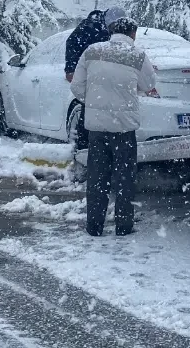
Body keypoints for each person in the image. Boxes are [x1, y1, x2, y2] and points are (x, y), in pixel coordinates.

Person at [69, 15, 155, 237]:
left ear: (112, 31)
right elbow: (148, 84)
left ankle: (94, 226)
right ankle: (123, 226)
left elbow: (77, 87)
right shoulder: (137, 55)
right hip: (124, 129)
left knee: (97, 177)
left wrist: (95, 102)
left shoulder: (92, 51)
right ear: (133, 34)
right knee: (125, 178)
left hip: (96, 128)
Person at [64, 7, 124, 82]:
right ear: (107, 19)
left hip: (101, 69)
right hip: (84, 68)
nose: (114, 29)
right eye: (112, 25)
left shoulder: (113, 29)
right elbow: (72, 42)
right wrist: (71, 69)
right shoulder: (88, 26)